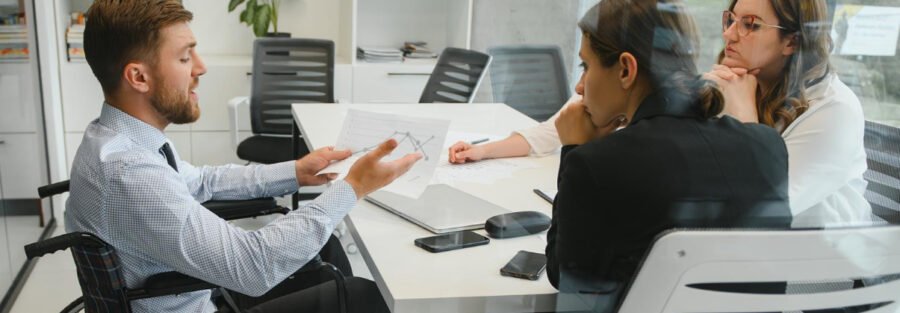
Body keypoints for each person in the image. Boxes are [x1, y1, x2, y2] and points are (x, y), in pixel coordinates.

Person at [65, 1, 421, 312]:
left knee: (323, 248)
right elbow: (254, 265)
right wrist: (354, 188)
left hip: (193, 288)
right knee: (363, 296)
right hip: (202, 301)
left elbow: (202, 181)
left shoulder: (121, 139)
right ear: (138, 77)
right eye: (185, 57)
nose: (201, 67)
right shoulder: (130, 172)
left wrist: (296, 171)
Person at [545, 0, 792, 311]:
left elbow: (563, 274)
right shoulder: (768, 145)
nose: (580, 86)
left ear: (625, 69)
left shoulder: (598, 163)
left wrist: (573, 151)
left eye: (586, 66)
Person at [704, 0, 871, 227]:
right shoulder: (743, 86)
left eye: (751, 25)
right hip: (757, 248)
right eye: (730, 20)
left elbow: (761, 208)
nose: (729, 35)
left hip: (817, 254)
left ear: (792, 41)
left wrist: (743, 118)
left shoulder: (834, 109)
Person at [448, 95, 579, 163]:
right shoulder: (581, 100)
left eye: (587, 67)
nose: (578, 86)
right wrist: (482, 151)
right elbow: (545, 136)